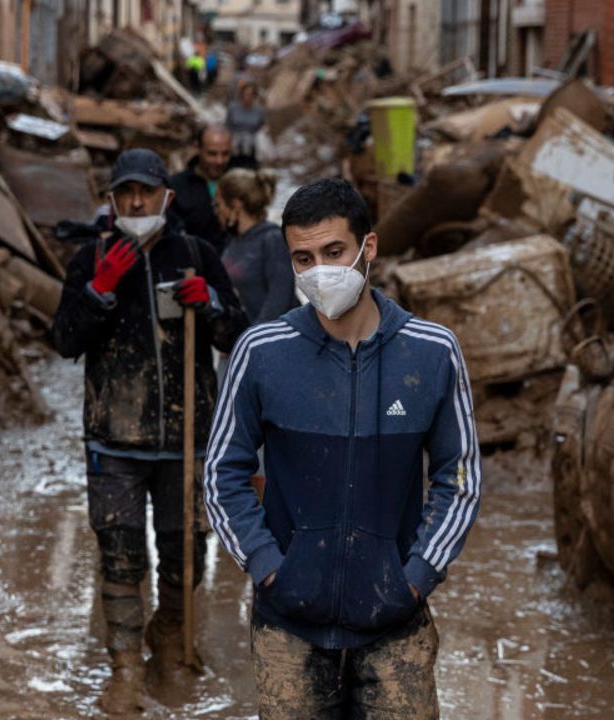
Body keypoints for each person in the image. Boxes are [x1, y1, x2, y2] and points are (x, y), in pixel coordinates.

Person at [204, 178, 482, 718]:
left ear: (367, 248)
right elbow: (222, 475)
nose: (319, 271)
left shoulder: (432, 352)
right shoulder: (262, 352)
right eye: (302, 258)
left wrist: (417, 577)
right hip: (288, 629)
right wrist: (268, 567)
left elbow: (460, 479)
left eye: (333, 252)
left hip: (396, 627)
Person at [50, 149, 248, 713]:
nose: (136, 202)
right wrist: (98, 292)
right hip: (114, 436)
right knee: (120, 550)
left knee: (185, 550)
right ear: (111, 200)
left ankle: (168, 635)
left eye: (146, 192)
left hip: (186, 438)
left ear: (166, 195)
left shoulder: (196, 255)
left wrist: (209, 304)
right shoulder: (89, 258)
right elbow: (64, 341)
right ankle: (125, 667)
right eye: (125, 193)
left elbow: (238, 334)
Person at [215, 168, 296, 324]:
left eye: (219, 204)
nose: (217, 210)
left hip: (271, 338)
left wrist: (255, 340)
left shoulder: (272, 239)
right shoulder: (233, 241)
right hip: (243, 339)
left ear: (235, 204)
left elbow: (279, 301)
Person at [168, 124, 233, 254]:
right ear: (198, 148)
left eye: (225, 154)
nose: (219, 161)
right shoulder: (177, 186)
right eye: (212, 154)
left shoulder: (239, 183)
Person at [226, 81, 266, 169]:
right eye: (246, 94)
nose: (248, 97)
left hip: (250, 141)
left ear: (254, 96)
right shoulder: (233, 108)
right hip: (235, 140)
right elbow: (228, 125)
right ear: (241, 95)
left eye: (251, 94)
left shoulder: (259, 111)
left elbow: (261, 126)